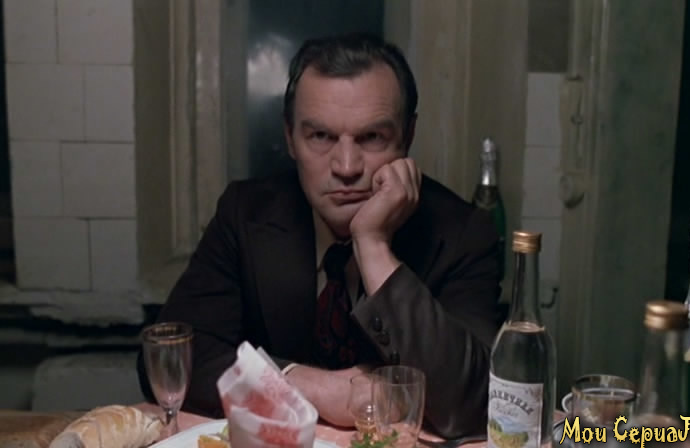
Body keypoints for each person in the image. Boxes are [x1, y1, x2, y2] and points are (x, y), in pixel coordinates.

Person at [137, 32, 502, 438]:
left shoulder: (463, 233)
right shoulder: (246, 214)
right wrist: (310, 386)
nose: (346, 167)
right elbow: (171, 362)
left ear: (408, 135)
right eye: (321, 137)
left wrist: (374, 246)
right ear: (290, 137)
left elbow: (476, 404)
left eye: (372, 137)